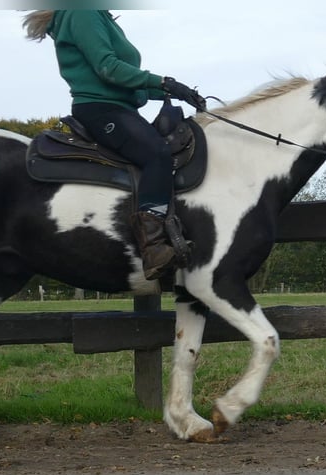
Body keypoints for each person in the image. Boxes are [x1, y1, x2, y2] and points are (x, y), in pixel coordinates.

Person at [23, 10, 206, 280]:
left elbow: (129, 82)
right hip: (101, 110)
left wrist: (172, 91)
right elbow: (108, 67)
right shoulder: (82, 12)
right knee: (157, 154)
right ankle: (153, 247)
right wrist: (164, 82)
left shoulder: (100, 16)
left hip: (121, 108)